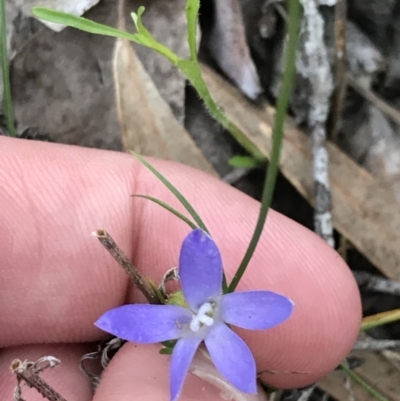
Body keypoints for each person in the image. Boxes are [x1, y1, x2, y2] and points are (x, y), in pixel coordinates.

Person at [0, 136, 361, 400]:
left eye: (206, 315)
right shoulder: (189, 297)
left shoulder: (224, 304)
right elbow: (124, 321)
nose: (204, 317)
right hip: (175, 325)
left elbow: (275, 307)